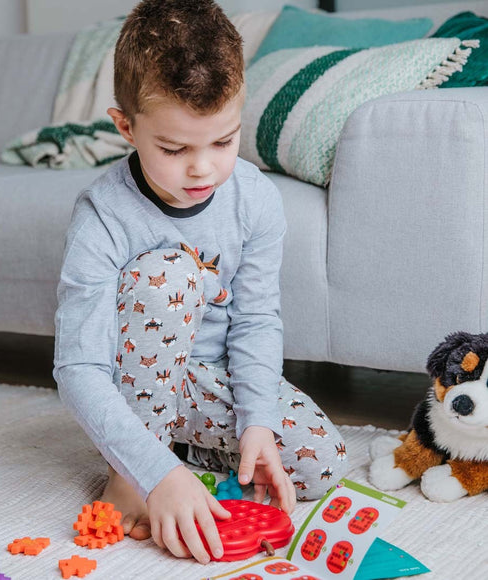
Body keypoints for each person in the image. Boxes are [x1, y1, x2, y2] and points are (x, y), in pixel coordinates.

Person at [54, 0, 348, 565]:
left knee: (321, 461)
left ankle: (172, 452)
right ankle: (134, 467)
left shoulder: (256, 198)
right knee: (171, 273)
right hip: (132, 380)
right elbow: (78, 368)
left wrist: (257, 421)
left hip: (207, 381)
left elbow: (257, 318)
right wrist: (151, 474)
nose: (204, 169)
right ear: (125, 126)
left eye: (223, 141)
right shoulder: (102, 216)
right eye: (174, 148)